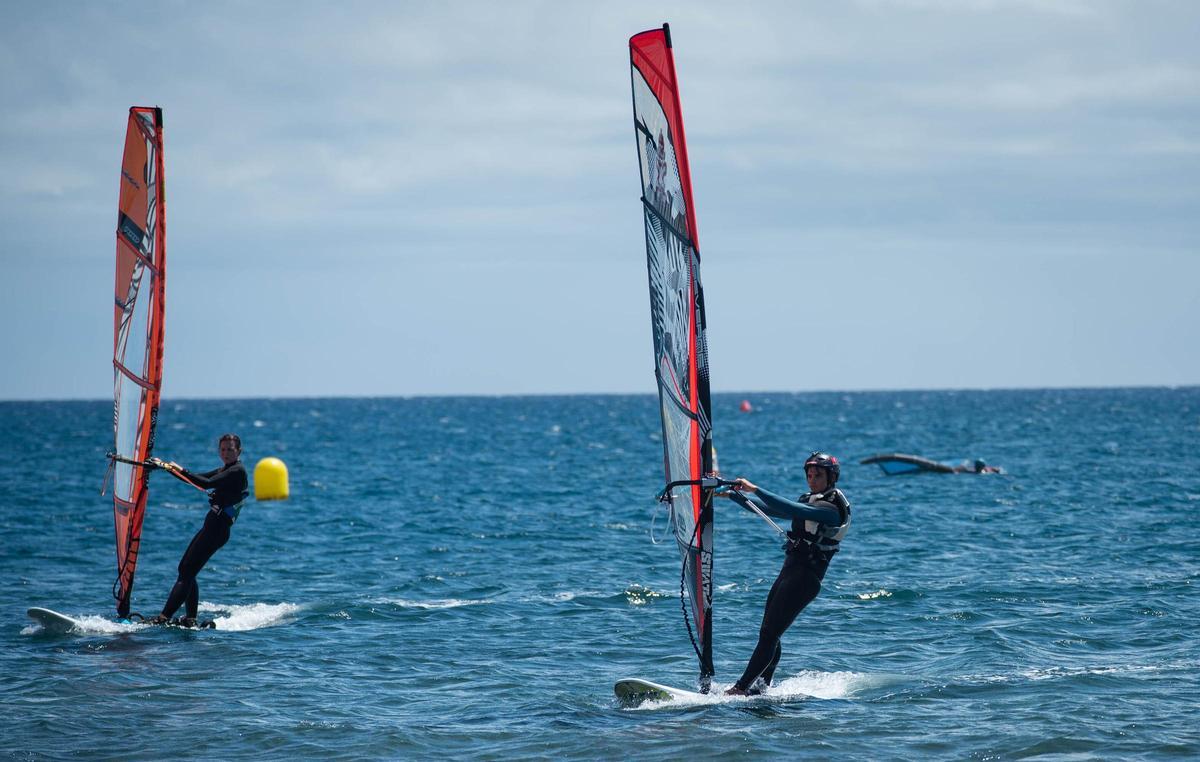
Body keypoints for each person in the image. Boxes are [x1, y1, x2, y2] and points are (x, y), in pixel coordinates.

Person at [721, 451, 852, 696]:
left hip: (805, 578)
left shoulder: (830, 509)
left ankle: (740, 688)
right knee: (769, 633)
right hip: (789, 571)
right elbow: (773, 511)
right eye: (809, 475)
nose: (812, 480)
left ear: (831, 477)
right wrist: (732, 496)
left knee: (770, 634)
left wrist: (754, 489)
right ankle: (761, 688)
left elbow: (788, 507)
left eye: (818, 475)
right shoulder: (810, 500)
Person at [146, 433, 248, 627]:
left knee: (186, 571)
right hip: (212, 526)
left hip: (217, 529)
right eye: (223, 449)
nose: (226, 453)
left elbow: (205, 484)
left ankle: (163, 617)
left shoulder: (237, 471)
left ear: (239, 451)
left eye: (230, 450)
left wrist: (173, 468)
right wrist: (168, 467)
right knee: (186, 570)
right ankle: (190, 618)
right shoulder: (225, 469)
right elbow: (197, 478)